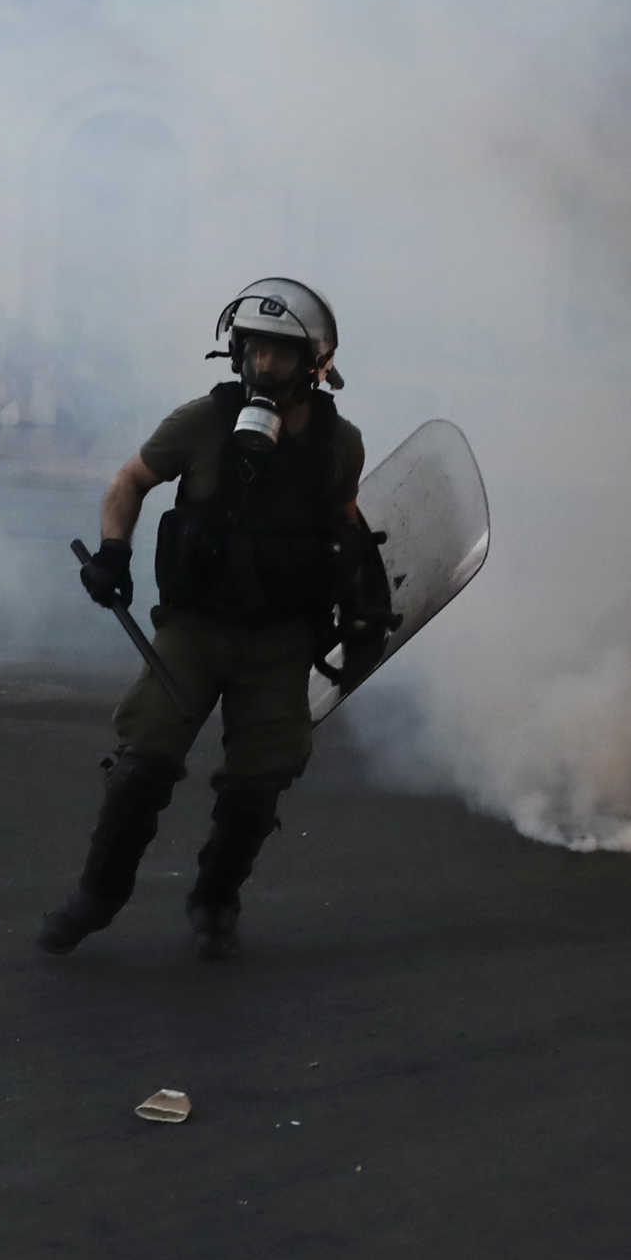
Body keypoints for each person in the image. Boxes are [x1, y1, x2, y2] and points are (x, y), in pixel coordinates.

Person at [36, 277, 383, 961]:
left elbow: (347, 527)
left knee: (259, 783)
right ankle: (98, 896)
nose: (261, 366)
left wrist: (366, 606)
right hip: (193, 632)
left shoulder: (340, 445)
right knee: (142, 766)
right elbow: (129, 482)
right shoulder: (202, 422)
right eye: (252, 350)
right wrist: (112, 552)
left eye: (278, 355)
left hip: (281, 639)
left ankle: (216, 900)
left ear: (313, 362)